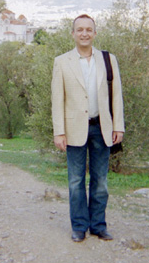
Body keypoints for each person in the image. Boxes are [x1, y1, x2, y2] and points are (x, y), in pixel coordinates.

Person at [51, 14, 125, 243]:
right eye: (79, 29)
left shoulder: (108, 59)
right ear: (73, 34)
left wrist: (118, 126)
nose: (84, 33)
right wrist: (59, 131)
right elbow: (57, 99)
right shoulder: (62, 61)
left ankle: (98, 226)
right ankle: (79, 227)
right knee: (75, 181)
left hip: (102, 128)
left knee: (100, 181)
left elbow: (116, 95)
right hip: (73, 130)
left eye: (88, 30)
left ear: (95, 33)